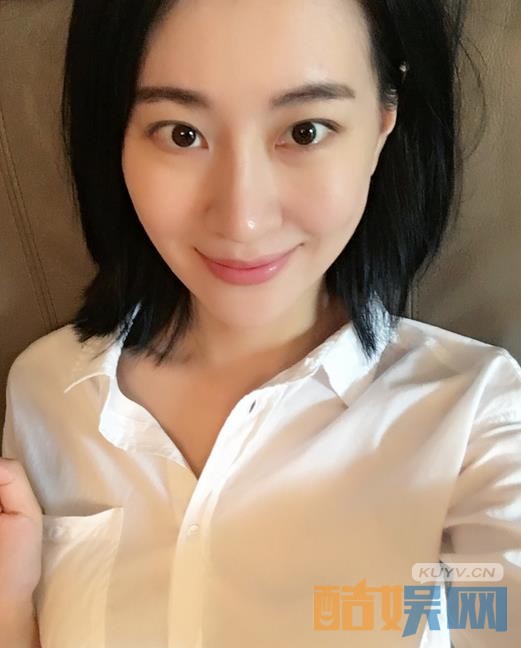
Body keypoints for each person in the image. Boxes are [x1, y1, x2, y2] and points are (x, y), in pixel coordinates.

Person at [1, 0, 520, 646]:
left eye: (305, 131)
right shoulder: (46, 391)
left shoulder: (477, 422)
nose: (242, 220)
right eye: (181, 133)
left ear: (383, 122)